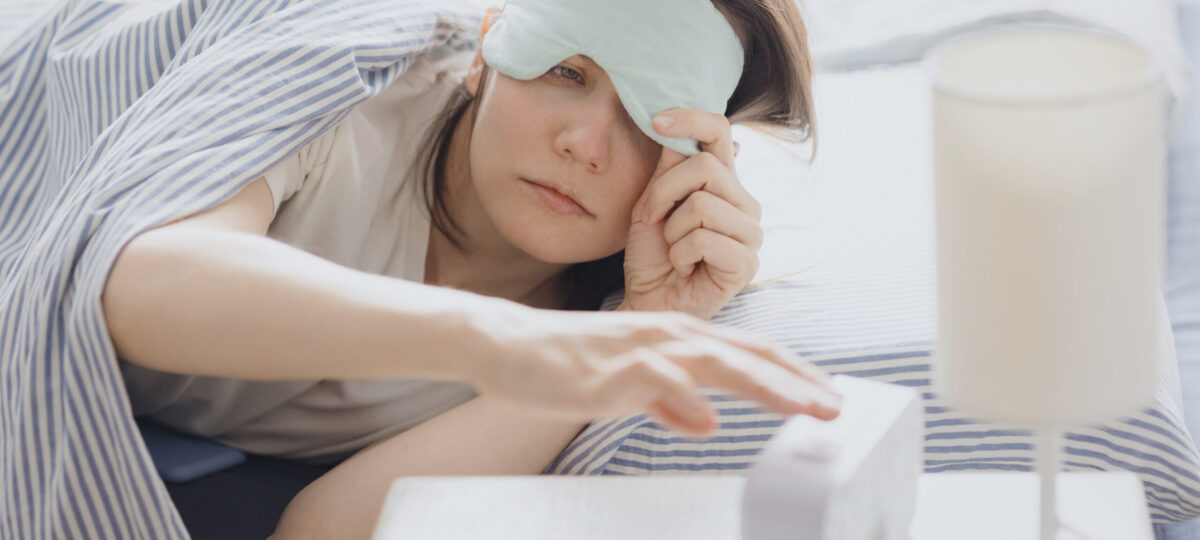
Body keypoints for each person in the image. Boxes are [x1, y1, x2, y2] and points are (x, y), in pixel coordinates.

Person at [99, 0, 836, 538]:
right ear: (486, 50)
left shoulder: (602, 318)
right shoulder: (338, 96)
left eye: (654, 114)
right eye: (564, 70)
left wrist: (648, 326)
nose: (586, 144)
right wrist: (496, 343)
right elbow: (139, 280)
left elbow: (323, 530)